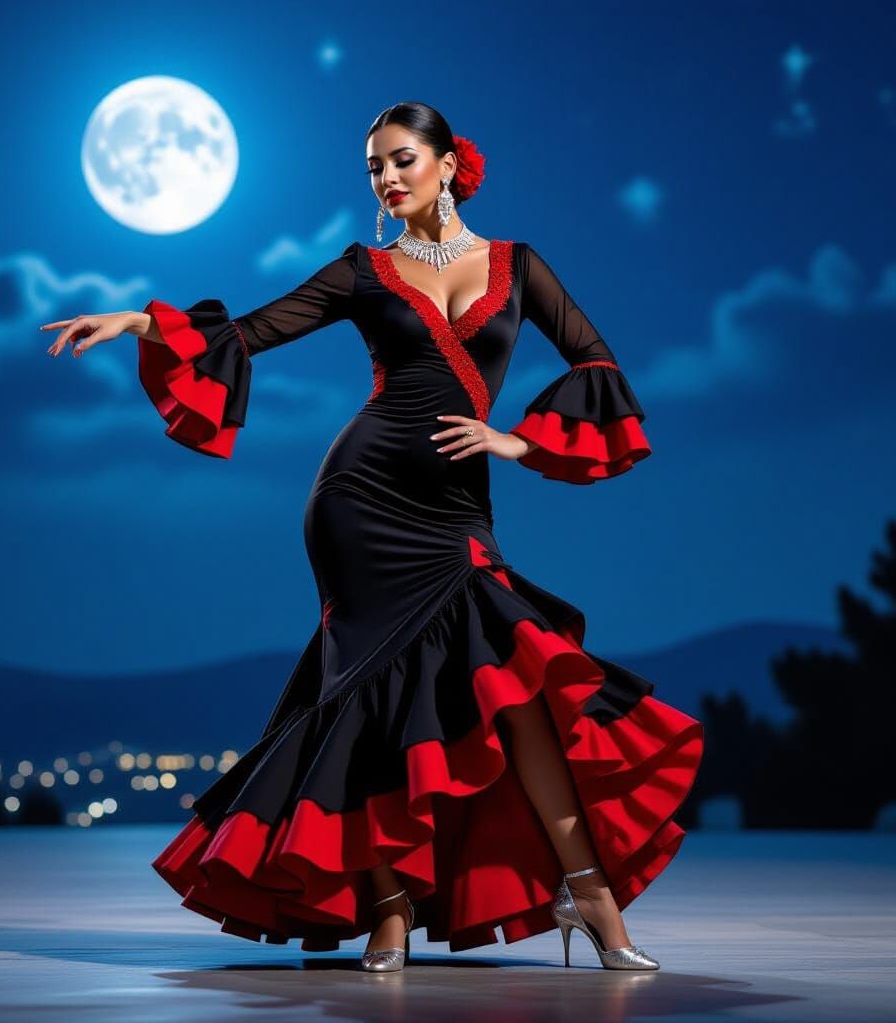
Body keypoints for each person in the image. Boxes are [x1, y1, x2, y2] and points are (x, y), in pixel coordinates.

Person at [41, 101, 704, 973]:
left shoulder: (517, 264)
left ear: (448, 164)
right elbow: (253, 330)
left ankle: (587, 893)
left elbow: (595, 360)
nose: (387, 180)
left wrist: (519, 439)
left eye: (400, 161)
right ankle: (388, 911)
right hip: (359, 503)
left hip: (458, 512)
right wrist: (138, 322)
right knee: (380, 704)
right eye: (373, 169)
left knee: (524, 688)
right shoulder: (364, 271)